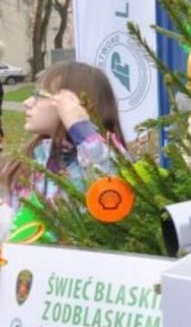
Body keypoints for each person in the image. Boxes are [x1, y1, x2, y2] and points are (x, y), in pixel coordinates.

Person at [0, 61, 126, 214]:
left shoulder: (104, 157)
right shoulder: (29, 160)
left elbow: (115, 190)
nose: (27, 103)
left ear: (76, 105)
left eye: (39, 95)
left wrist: (80, 127)